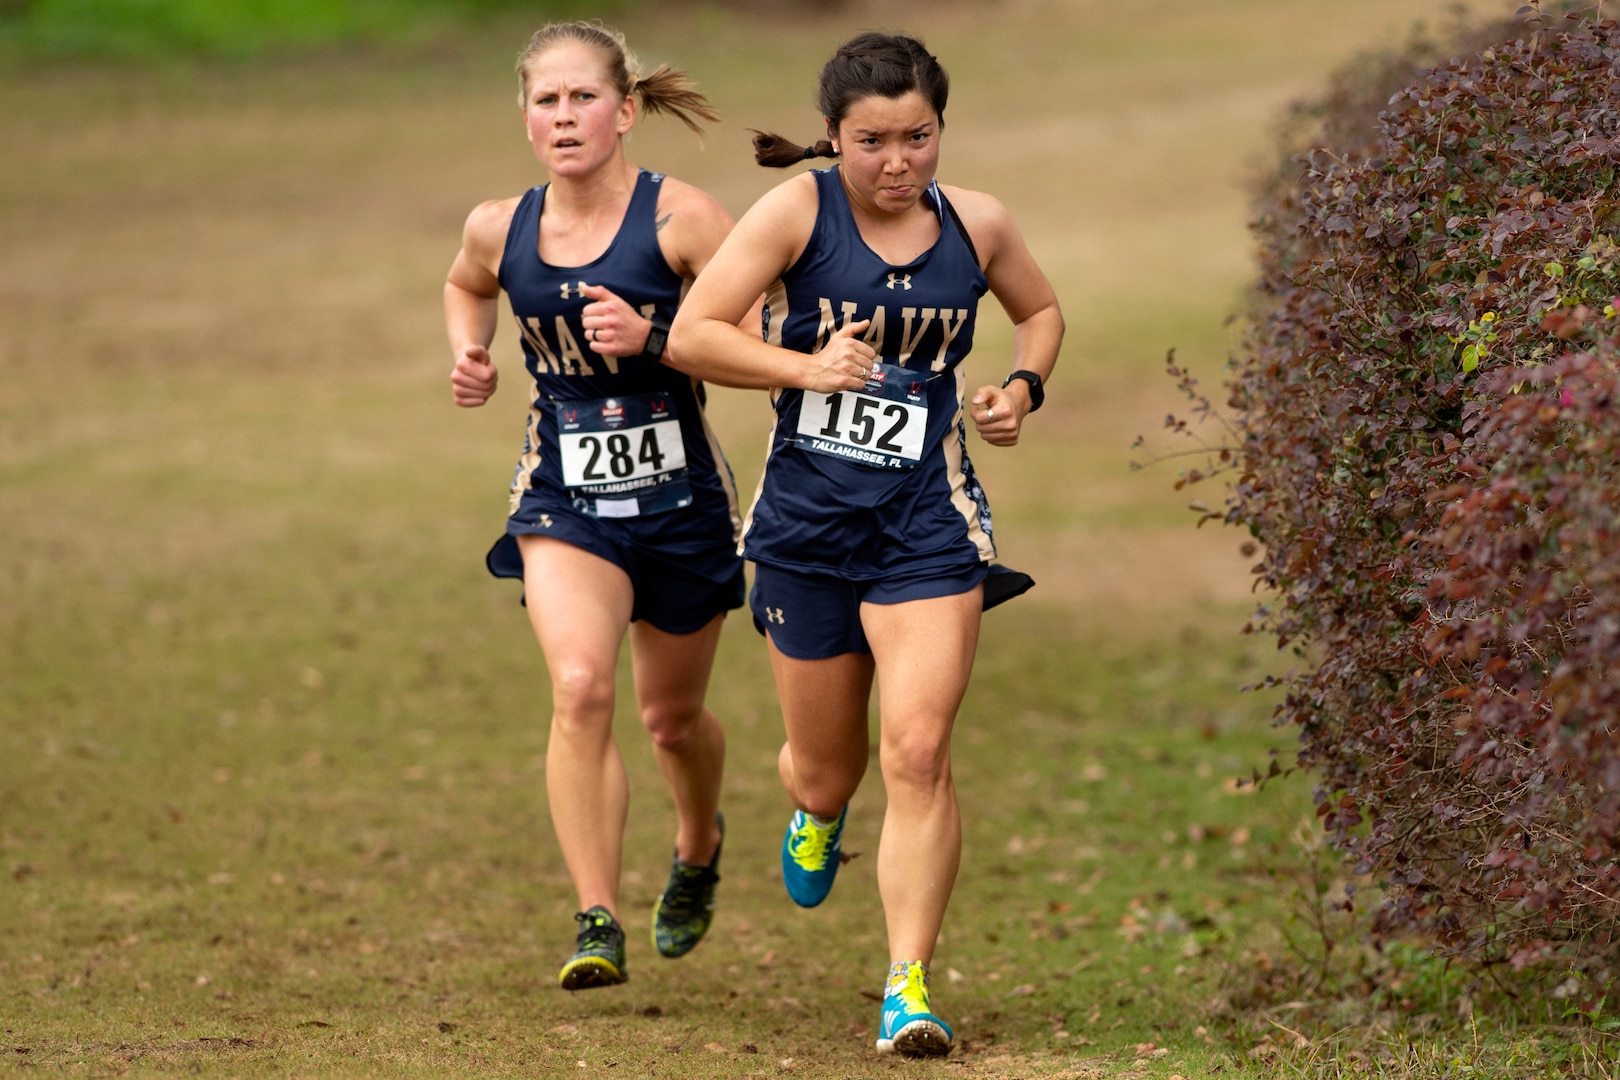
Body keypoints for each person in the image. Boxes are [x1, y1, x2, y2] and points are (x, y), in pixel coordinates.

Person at [667, 31, 1063, 1058]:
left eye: (918, 138)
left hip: (928, 523)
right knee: (827, 773)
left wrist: (1021, 387)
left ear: (942, 129)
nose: (898, 162)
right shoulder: (798, 211)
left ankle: (907, 985)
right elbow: (694, 334)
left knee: (921, 751)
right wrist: (804, 369)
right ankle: (814, 806)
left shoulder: (977, 223)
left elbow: (1042, 309)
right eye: (873, 141)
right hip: (804, 527)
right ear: (834, 137)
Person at [443, 21, 745, 992]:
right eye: (546, 101)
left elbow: (771, 338)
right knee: (580, 687)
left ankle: (697, 843)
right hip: (564, 491)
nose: (564, 117)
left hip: (681, 499)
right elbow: (464, 281)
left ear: (624, 110)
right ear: (525, 117)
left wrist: (659, 334)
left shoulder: (683, 219)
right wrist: (472, 347)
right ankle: (596, 914)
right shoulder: (501, 224)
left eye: (582, 99)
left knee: (670, 719)